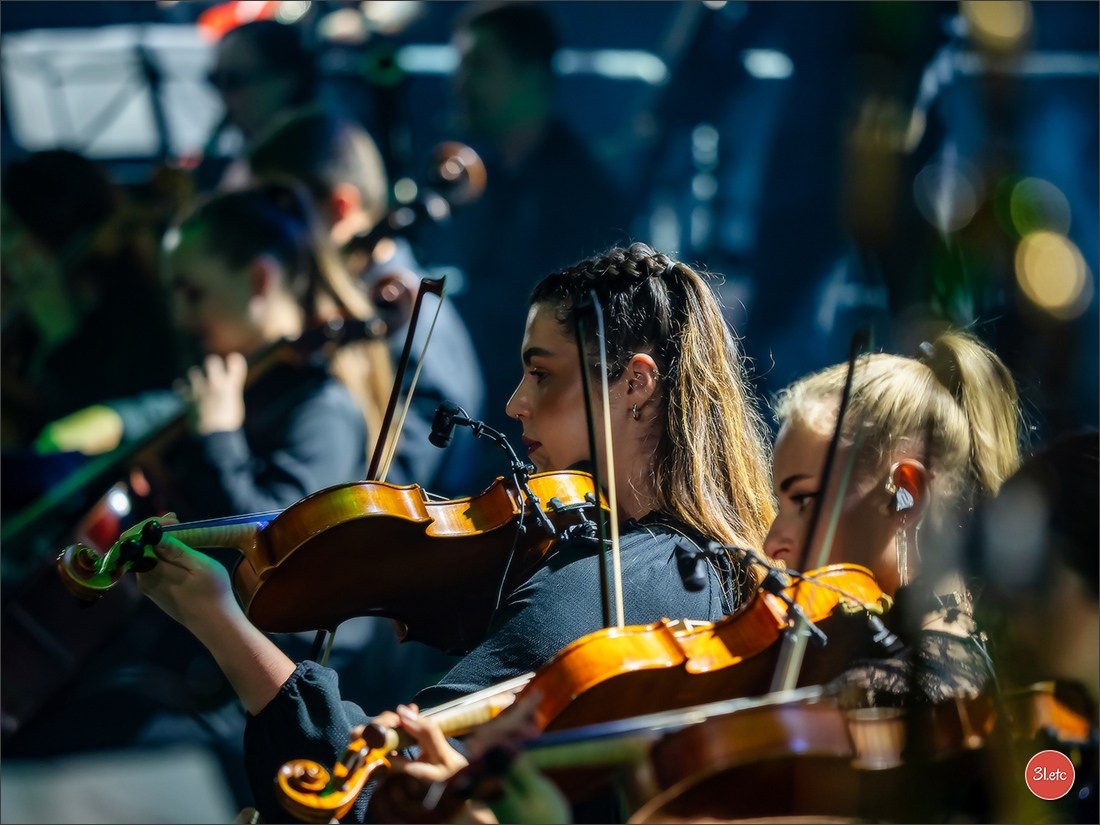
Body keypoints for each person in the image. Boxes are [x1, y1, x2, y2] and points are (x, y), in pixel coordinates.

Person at [123, 242, 776, 822]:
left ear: (635, 382)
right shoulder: (728, 574)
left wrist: (219, 623)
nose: (515, 402)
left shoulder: (605, 587)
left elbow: (371, 791)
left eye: (542, 373)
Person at [414, 1, 633, 478]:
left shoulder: (582, 195)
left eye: (480, 66)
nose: (461, 83)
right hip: (484, 409)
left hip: (533, 430)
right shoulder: (483, 179)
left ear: (533, 74)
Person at [245, 108, 487, 498]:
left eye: (281, 209)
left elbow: (395, 499)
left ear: (341, 208)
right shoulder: (343, 300)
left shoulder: (417, 329)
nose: (266, 234)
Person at [198, 18, 320, 192]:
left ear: (285, 81)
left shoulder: (308, 168)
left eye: (233, 81)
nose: (223, 96)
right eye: (215, 80)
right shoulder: (241, 161)